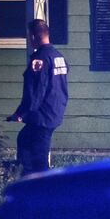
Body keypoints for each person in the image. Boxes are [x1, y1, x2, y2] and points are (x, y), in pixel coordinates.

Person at [7, 18, 68, 172]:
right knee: (25, 140)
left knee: (38, 158)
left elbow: (36, 90)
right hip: (55, 111)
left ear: (33, 37)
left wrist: (23, 113)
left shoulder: (40, 59)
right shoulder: (58, 56)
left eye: (29, 37)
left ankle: (40, 187)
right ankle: (28, 178)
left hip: (42, 116)